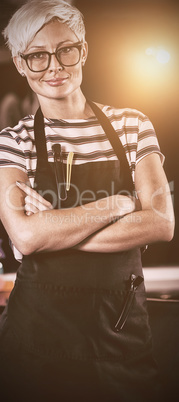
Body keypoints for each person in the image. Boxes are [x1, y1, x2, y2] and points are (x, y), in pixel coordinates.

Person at [0, 1, 174, 401]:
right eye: (37, 57)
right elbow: (25, 238)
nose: (54, 67)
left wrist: (55, 228)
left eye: (66, 50)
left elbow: (162, 223)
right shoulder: (13, 141)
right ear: (21, 63)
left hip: (121, 335)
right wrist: (117, 205)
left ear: (84, 50)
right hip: (34, 344)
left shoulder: (133, 125)